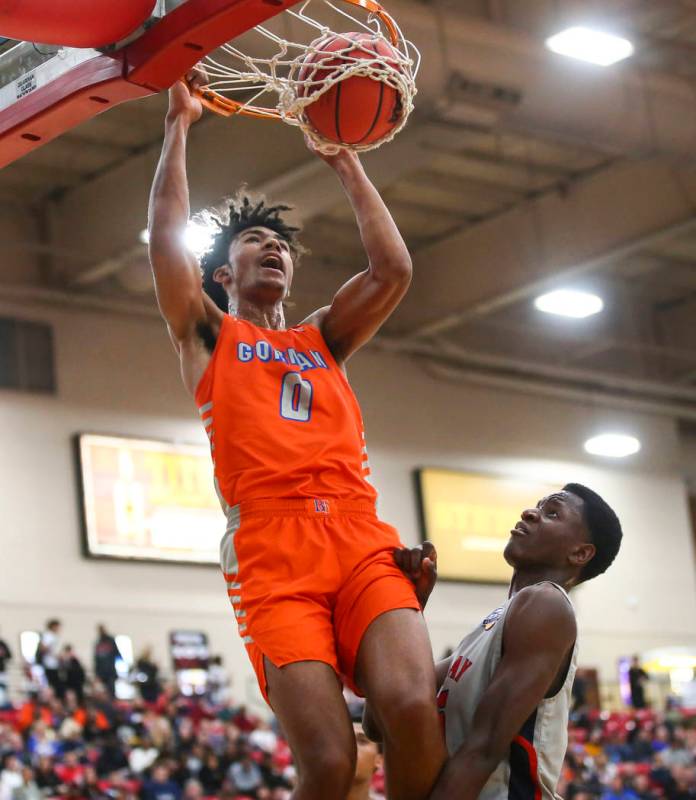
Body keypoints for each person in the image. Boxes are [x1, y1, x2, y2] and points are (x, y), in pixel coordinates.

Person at [147, 73, 445, 800]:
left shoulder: (323, 339)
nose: (273, 249)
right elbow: (163, 237)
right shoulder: (209, 334)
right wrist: (178, 126)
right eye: (255, 240)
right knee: (330, 763)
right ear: (223, 271)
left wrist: (345, 160)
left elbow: (393, 269)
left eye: (282, 244)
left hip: (359, 534)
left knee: (412, 710)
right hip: (271, 550)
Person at [376, 483, 623, 800]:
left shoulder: (547, 605)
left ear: (580, 553)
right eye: (537, 506)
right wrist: (408, 606)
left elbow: (484, 748)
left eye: (552, 513)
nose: (530, 512)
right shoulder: (489, 628)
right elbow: (382, 715)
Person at [93, 625, 122, 698]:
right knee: (103, 693)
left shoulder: (110, 641)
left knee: (111, 692)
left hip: (110, 672)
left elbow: (118, 654)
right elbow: (96, 660)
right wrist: (97, 674)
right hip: (102, 673)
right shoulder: (98, 643)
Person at [37, 620, 63, 699]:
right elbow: (42, 647)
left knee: (55, 684)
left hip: (53, 664)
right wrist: (53, 654)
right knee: (54, 684)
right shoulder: (49, 635)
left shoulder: (53, 636)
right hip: (49, 664)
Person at [0, 632, 11, 705]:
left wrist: (3, 653)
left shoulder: (2, 643)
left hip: (2, 671)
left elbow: (10, 656)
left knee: (3, 690)